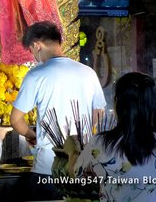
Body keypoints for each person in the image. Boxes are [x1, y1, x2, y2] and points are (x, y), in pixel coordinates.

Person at [10, 21, 106, 200]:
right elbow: (99, 113)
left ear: (37, 45)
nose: (34, 58)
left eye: (31, 51)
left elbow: (15, 120)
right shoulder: (88, 73)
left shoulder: (36, 75)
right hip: (82, 167)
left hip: (48, 169)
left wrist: (33, 135)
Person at [73, 72, 156, 202]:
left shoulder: (100, 143)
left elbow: (77, 176)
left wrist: (71, 150)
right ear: (154, 105)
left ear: (118, 104)